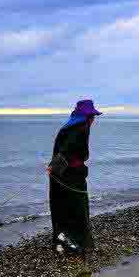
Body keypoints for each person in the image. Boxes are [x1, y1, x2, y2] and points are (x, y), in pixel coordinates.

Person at [47, 99, 101, 256]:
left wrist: (54, 167)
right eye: (91, 116)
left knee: (62, 207)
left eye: (93, 116)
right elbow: (65, 151)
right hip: (70, 176)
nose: (93, 119)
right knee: (76, 207)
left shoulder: (70, 127)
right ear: (85, 117)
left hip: (63, 175)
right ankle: (75, 243)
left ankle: (62, 240)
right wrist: (55, 167)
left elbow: (63, 151)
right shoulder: (79, 128)